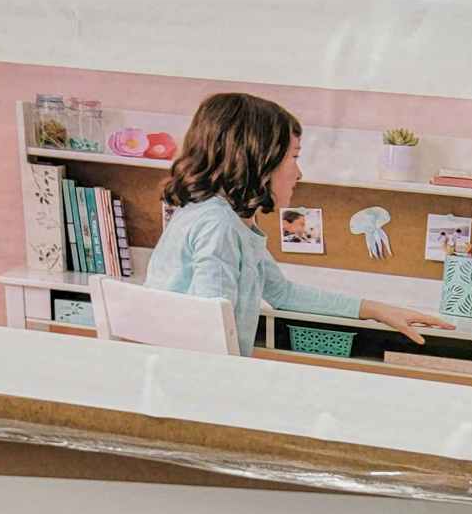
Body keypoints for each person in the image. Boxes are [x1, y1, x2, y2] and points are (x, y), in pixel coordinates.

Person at [145, 93, 451, 356]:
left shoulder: (219, 219)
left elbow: (284, 295)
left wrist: (378, 310)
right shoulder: (217, 224)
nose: (299, 173)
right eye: (294, 157)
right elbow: (210, 330)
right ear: (258, 159)